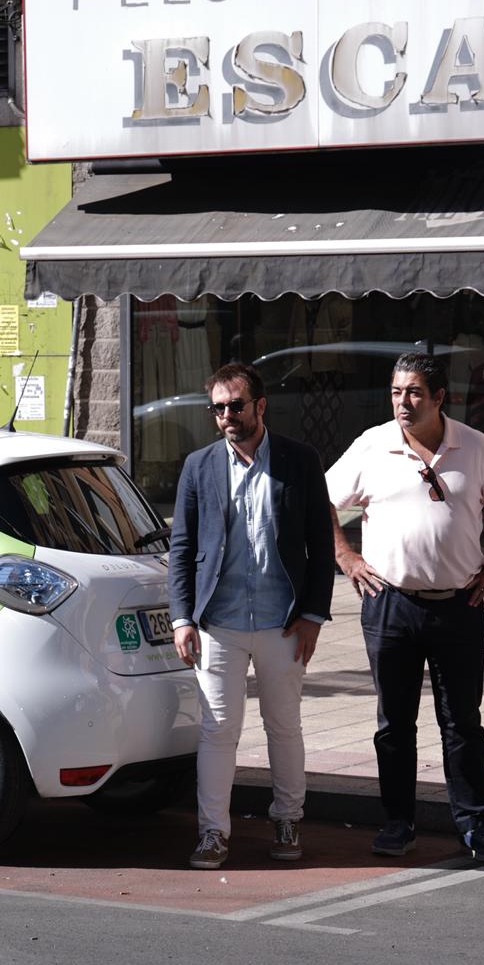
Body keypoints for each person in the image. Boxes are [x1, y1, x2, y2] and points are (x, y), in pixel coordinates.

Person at [327, 352, 484, 863]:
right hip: (389, 604)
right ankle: (398, 824)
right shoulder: (373, 444)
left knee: (462, 722)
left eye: (414, 392)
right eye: (397, 392)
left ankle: (474, 825)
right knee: (394, 724)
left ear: (440, 398)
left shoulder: (475, 447)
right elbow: (321, 499)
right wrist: (346, 556)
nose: (403, 402)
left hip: (459, 605)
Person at [168, 362, 335, 870]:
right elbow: (182, 547)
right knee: (218, 729)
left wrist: (312, 614)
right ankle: (213, 833)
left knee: (283, 726)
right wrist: (182, 618)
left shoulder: (299, 460)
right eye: (218, 408)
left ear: (260, 406)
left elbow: (320, 543)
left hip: (283, 621)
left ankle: (288, 819)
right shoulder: (199, 466)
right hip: (218, 622)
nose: (226, 416)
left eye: (235, 405)